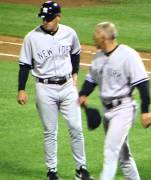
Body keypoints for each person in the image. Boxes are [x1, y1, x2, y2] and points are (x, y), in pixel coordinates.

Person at [16, 1, 93, 180]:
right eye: (43, 18)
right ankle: (52, 171)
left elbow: (75, 52)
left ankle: (81, 168)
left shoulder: (69, 32)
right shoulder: (31, 37)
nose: (45, 21)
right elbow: (24, 65)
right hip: (44, 88)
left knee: (76, 128)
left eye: (49, 18)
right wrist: (21, 89)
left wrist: (74, 72)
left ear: (58, 17)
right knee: (50, 131)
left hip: (67, 87)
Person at [78, 21, 151, 180]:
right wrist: (83, 94)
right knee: (123, 155)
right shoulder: (98, 57)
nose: (93, 39)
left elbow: (143, 84)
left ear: (105, 38)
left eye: (96, 36)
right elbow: (91, 79)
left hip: (123, 109)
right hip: (107, 111)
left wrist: (146, 110)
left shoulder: (128, 55)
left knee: (110, 151)